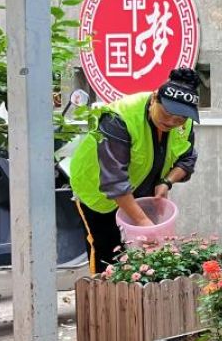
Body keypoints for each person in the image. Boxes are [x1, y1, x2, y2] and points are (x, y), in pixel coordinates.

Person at [69, 67, 201, 273]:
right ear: (155, 97)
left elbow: (187, 158)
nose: (171, 122)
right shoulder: (119, 118)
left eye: (180, 119)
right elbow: (114, 181)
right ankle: (104, 292)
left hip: (141, 190)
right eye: (167, 113)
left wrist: (166, 182)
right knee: (107, 251)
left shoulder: (185, 124)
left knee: (147, 253)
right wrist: (142, 221)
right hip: (97, 190)